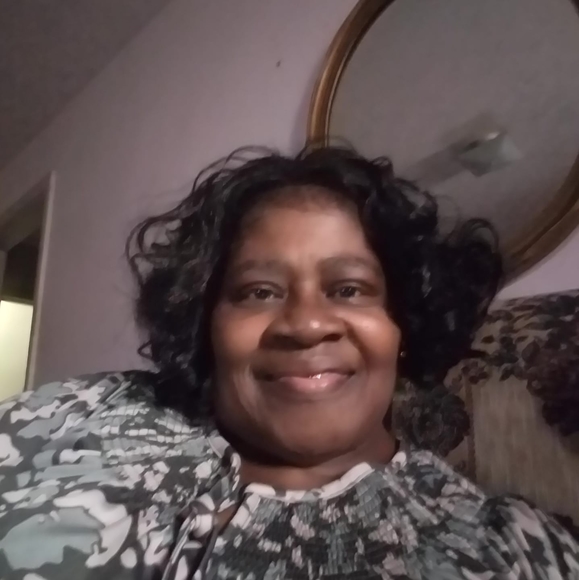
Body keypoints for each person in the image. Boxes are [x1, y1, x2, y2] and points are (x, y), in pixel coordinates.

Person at [0, 146, 577, 580]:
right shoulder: (80, 415)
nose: (305, 324)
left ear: (403, 324)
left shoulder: (513, 553)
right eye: (259, 292)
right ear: (207, 324)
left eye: (349, 289)